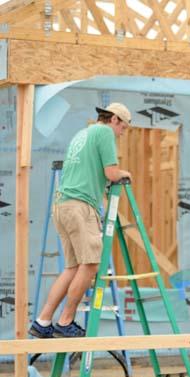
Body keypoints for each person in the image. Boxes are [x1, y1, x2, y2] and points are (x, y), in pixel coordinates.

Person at [29, 103, 132, 338]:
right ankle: (65, 322)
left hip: (63, 204)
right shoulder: (105, 132)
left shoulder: (82, 134)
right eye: (123, 127)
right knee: (91, 265)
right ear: (114, 119)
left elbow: (92, 171)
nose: (121, 133)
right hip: (80, 206)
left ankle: (43, 321)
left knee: (72, 267)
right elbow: (112, 173)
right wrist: (125, 174)